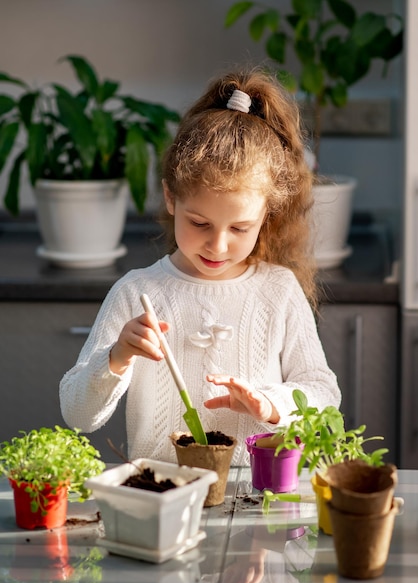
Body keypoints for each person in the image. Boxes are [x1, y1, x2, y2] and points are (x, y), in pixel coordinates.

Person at [59, 68, 341, 465]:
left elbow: (324, 395)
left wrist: (270, 404)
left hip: (253, 502)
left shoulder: (279, 290)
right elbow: (77, 414)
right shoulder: (136, 292)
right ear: (170, 197)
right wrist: (117, 356)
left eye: (240, 227)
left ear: (267, 214)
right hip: (160, 500)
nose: (218, 244)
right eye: (200, 223)